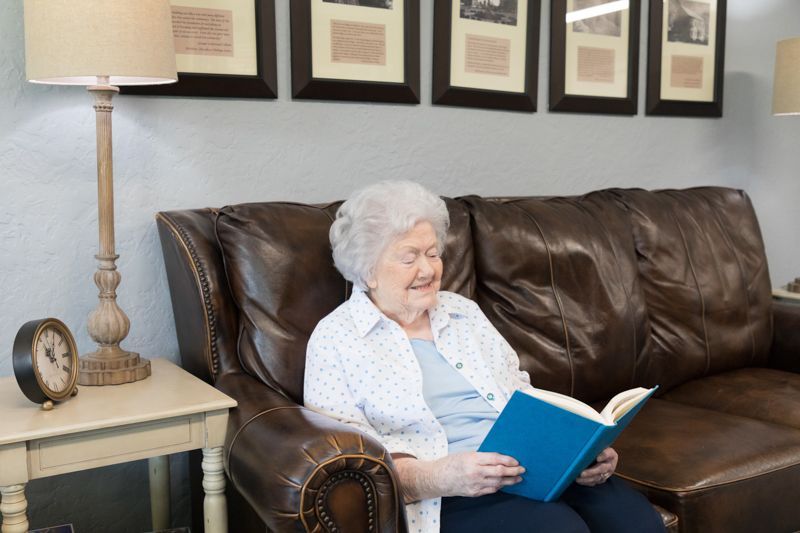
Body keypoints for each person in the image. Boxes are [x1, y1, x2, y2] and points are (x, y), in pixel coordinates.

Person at [304, 181, 666, 533]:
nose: (429, 270)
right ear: (367, 270)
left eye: (433, 253)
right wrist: (441, 475)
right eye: (409, 257)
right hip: (454, 490)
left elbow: (521, 393)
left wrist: (580, 450)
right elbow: (350, 460)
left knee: (636, 521)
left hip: (531, 467)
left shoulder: (464, 313)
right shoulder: (337, 339)